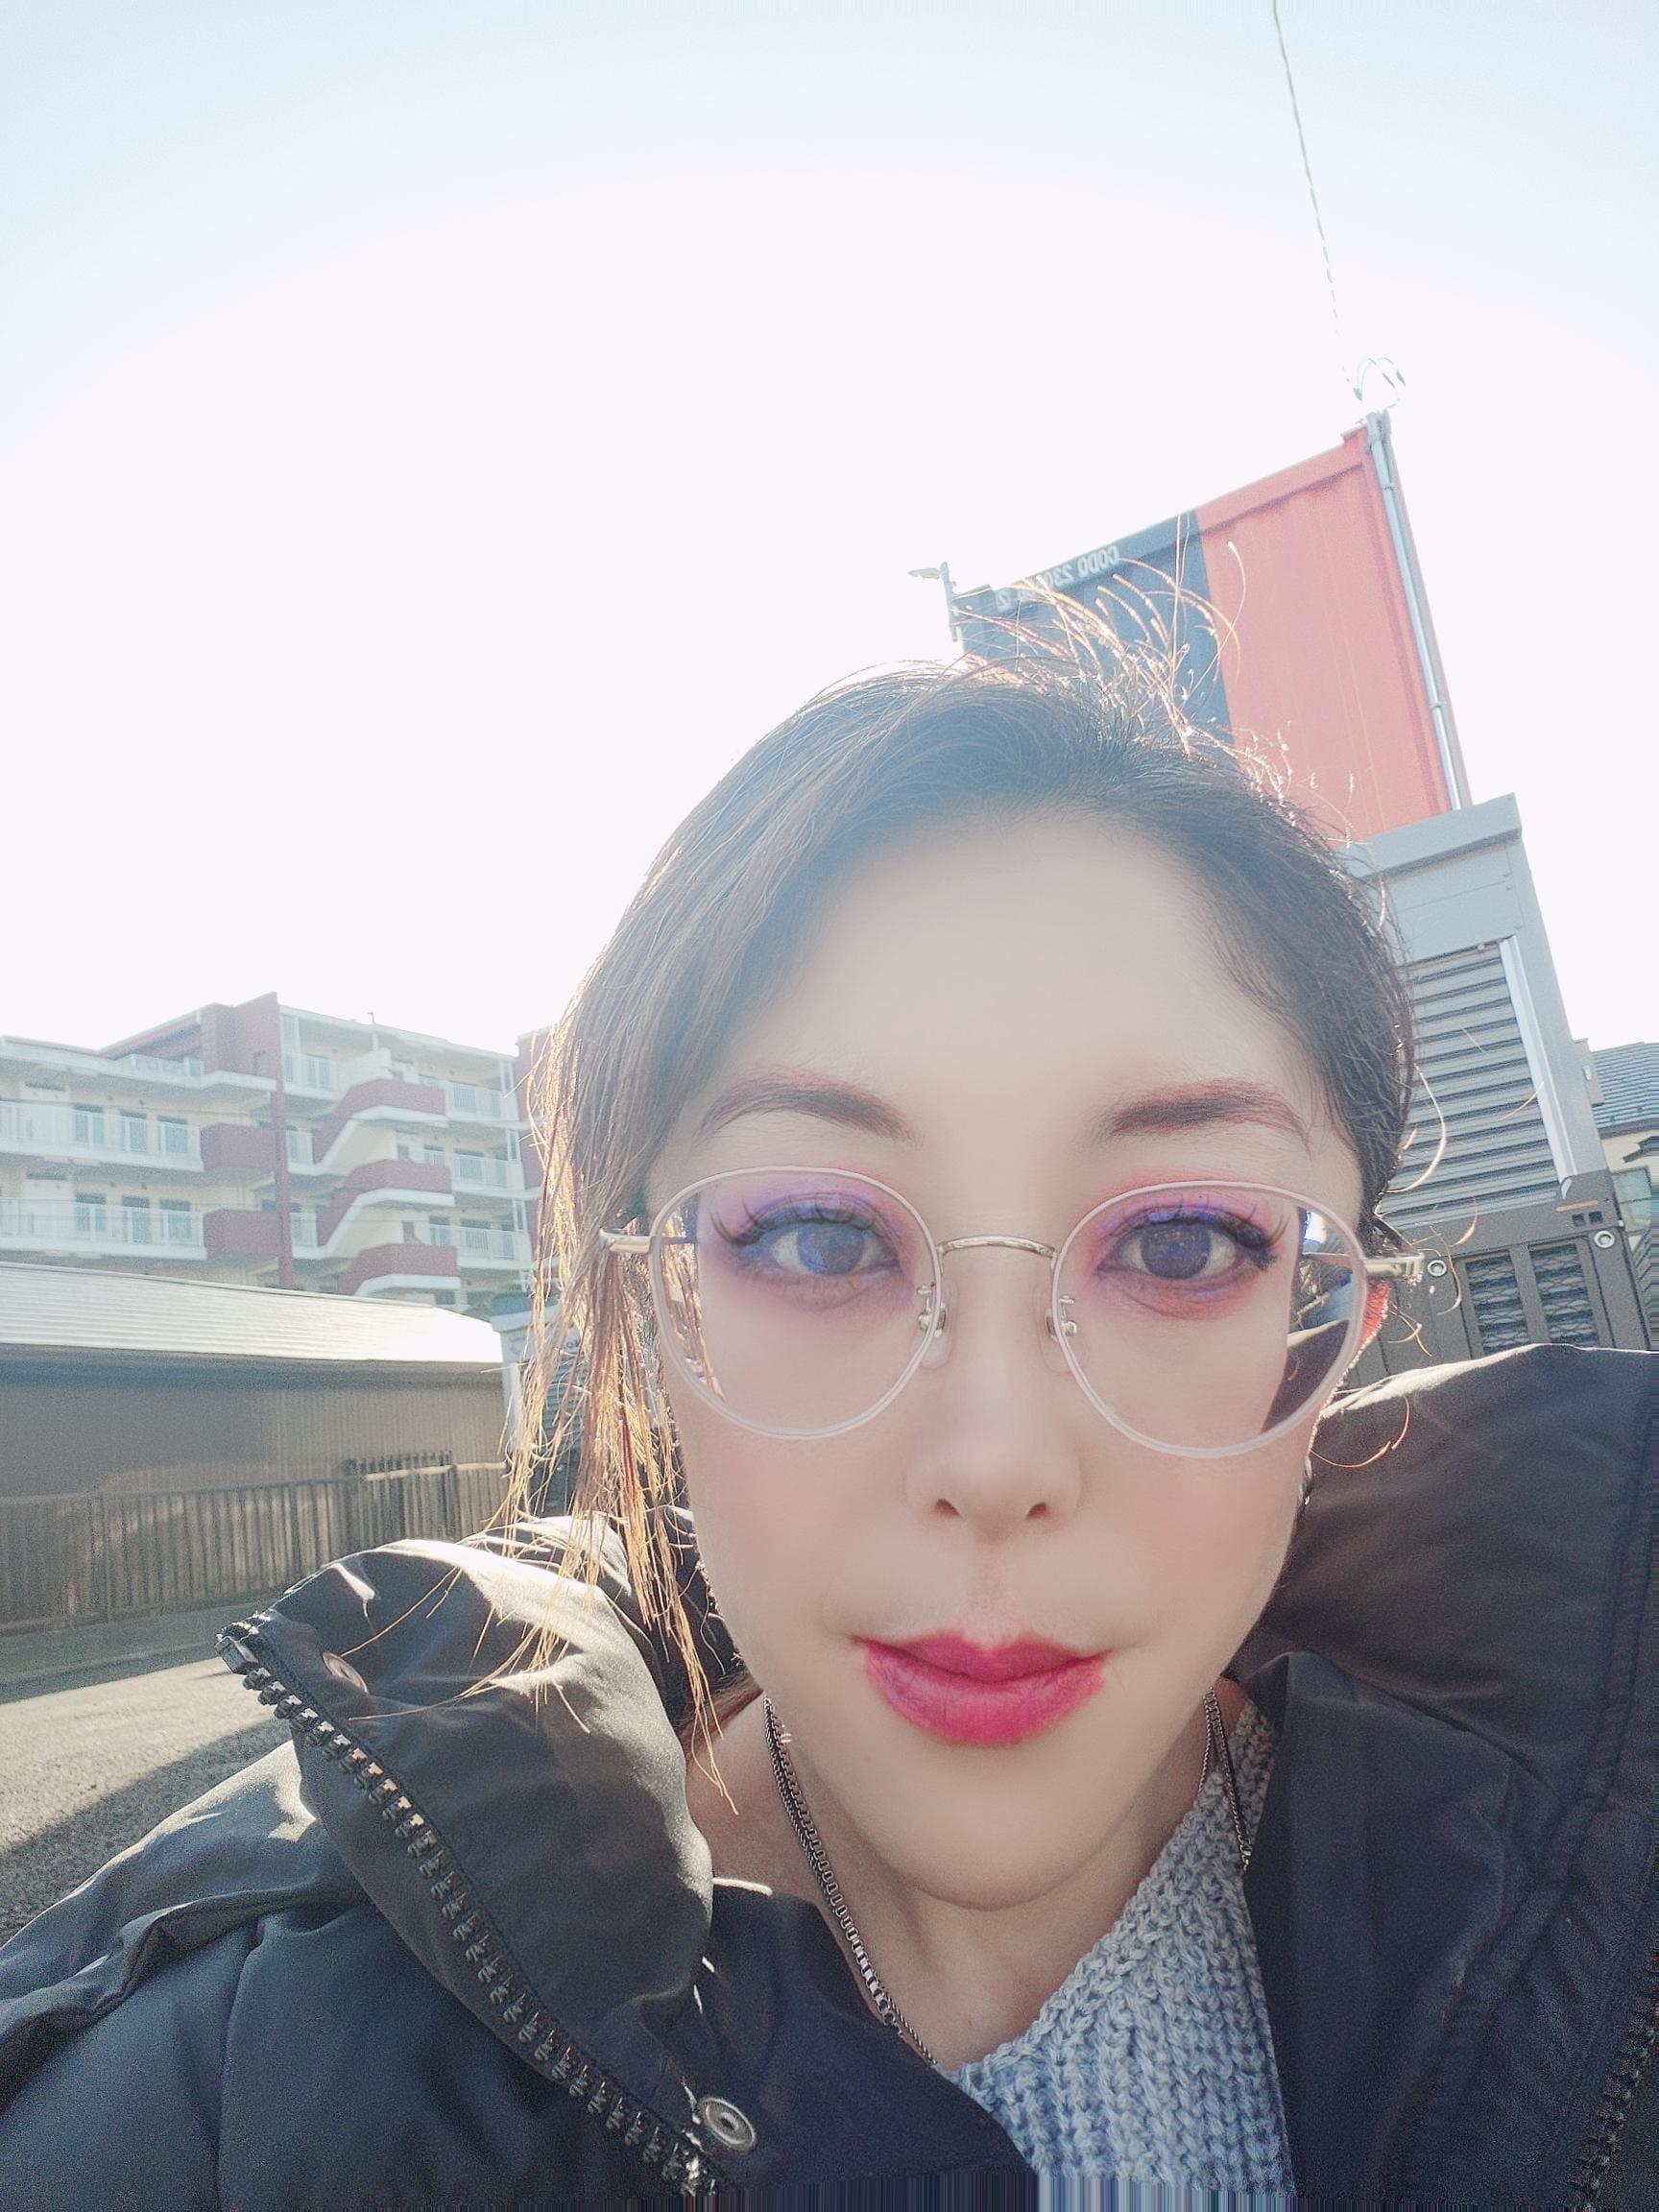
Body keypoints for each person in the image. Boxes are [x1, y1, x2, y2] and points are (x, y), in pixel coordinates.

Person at [0, 639, 1652, 2206]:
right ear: (647, 1321)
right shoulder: (230, 2111)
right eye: (812, 1235)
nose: (995, 1461)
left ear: (1344, 1330)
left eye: (1181, 1244)